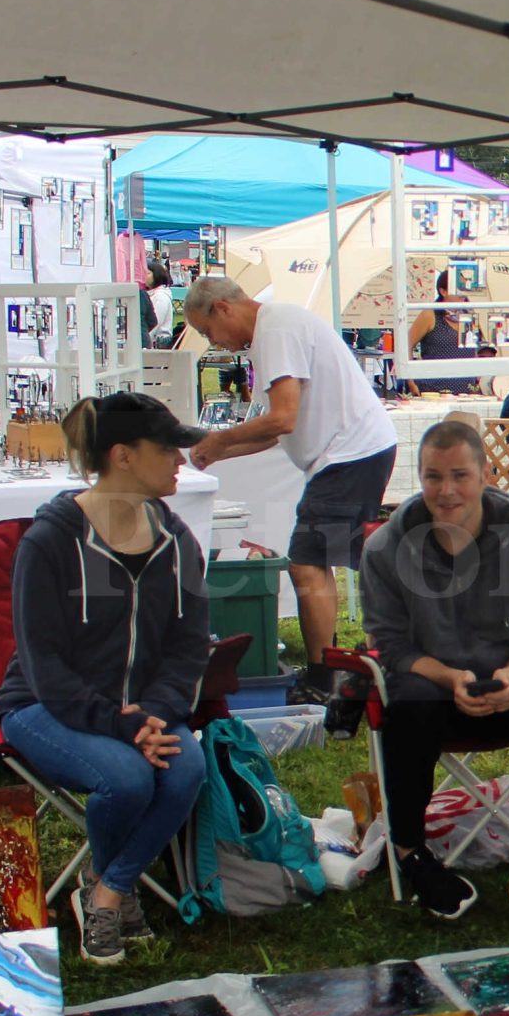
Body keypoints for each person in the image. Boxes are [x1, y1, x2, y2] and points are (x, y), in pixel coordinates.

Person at [0, 394, 212, 965]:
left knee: (187, 767)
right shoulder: (51, 543)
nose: (180, 461)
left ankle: (105, 888)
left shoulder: (176, 540)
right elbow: (45, 667)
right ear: (122, 456)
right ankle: (115, 892)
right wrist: (122, 724)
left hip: (144, 711)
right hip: (43, 707)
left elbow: (189, 648)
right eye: (167, 449)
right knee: (127, 778)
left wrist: (156, 713)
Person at [359, 421, 509, 918]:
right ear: (419, 478)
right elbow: (391, 647)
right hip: (433, 698)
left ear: (483, 475)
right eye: (433, 477)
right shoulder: (385, 549)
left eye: (460, 475)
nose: (447, 490)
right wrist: (449, 679)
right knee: (408, 699)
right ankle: (411, 853)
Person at [182, 276, 400, 707]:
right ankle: (342, 665)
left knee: (307, 565)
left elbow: (281, 419)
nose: (215, 343)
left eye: (208, 332)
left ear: (223, 308)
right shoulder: (276, 326)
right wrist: (214, 453)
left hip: (348, 454)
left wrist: (219, 442)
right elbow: (279, 429)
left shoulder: (274, 329)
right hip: (350, 453)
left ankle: (328, 677)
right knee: (324, 564)